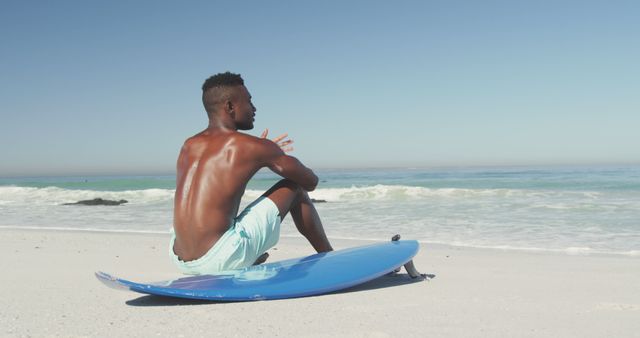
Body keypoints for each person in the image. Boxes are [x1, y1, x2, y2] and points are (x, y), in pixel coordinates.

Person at [170, 72, 333, 275]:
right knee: (295, 187)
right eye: (249, 101)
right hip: (219, 258)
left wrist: (263, 152)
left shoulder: (189, 145)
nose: (254, 108)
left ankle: (245, 257)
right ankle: (330, 258)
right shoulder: (252, 146)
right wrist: (271, 151)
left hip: (180, 258)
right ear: (230, 106)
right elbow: (310, 182)